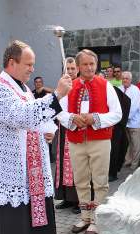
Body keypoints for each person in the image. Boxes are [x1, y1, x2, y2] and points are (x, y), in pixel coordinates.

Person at [0, 40, 72, 234]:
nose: (32, 69)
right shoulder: (0, 90)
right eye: (28, 64)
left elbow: (33, 119)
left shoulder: (20, 87)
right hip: (11, 173)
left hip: (31, 169)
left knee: (31, 225)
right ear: (12, 63)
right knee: (14, 230)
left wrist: (48, 130)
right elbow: (21, 116)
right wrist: (56, 96)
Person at [56, 49, 122, 234]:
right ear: (78, 67)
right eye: (85, 64)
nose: (89, 67)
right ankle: (85, 216)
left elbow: (117, 113)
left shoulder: (105, 85)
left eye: (92, 64)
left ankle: (97, 220)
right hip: (77, 140)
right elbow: (59, 112)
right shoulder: (71, 86)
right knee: (81, 180)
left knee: (100, 181)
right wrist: (72, 118)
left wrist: (96, 118)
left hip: (99, 139)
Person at [55, 57, 84, 213]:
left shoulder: (81, 85)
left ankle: (79, 200)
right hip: (63, 128)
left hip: (76, 128)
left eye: (73, 68)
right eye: (68, 68)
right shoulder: (62, 85)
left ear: (78, 69)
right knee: (62, 164)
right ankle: (66, 198)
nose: (71, 71)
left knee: (76, 165)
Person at [120, 71, 140, 170]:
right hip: (123, 122)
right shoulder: (120, 89)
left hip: (133, 121)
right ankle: (128, 160)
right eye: (123, 78)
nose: (124, 80)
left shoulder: (135, 90)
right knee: (127, 143)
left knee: (135, 143)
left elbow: (134, 106)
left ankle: (135, 163)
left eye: (126, 78)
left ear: (130, 80)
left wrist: (125, 118)